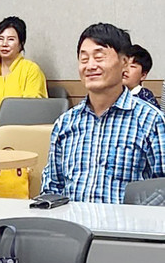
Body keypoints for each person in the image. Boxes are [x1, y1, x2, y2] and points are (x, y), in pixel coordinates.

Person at [41, 23, 165, 204]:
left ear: (124, 63)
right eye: (84, 59)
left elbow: (162, 190)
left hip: (128, 222)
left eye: (99, 57)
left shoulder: (151, 121)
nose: (90, 66)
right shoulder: (65, 124)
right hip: (73, 221)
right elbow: (52, 188)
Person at [123, 44, 160, 109]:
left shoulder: (146, 99)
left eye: (132, 66)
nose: (125, 69)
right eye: (123, 64)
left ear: (143, 75)